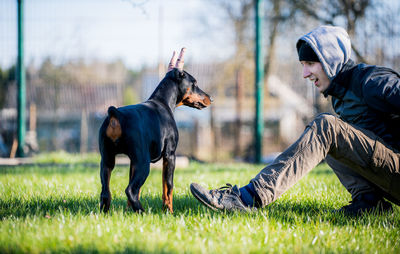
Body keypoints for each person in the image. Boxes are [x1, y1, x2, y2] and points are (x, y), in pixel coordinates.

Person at [189, 25, 400, 216]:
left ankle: (246, 198)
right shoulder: (340, 96)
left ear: (331, 60)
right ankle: (370, 205)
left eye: (310, 63)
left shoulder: (372, 81)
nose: (305, 73)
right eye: (302, 64)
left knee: (326, 127)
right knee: (334, 138)